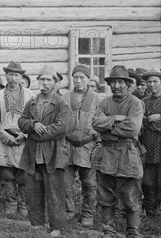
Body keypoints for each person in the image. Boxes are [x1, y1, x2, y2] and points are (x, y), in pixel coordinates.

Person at [92, 65, 145, 238]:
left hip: (127, 154)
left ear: (128, 84)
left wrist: (107, 127)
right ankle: (108, 230)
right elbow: (94, 123)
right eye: (113, 82)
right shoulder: (104, 102)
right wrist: (115, 118)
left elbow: (132, 129)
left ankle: (133, 231)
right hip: (106, 154)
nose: (116, 85)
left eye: (120, 81)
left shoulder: (135, 103)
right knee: (105, 196)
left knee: (130, 197)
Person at [18, 65, 70, 237]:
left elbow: (62, 127)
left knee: (55, 192)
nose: (45, 83)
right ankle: (37, 223)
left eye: (49, 80)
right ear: (38, 81)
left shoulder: (61, 103)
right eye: (42, 79)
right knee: (33, 191)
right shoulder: (32, 102)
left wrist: (38, 133)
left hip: (53, 155)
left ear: (55, 83)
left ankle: (56, 226)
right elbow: (22, 121)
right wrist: (33, 124)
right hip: (33, 155)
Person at [0, 61, 34, 219]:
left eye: (16, 75)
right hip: (5, 138)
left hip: (23, 138)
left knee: (23, 174)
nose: (13, 78)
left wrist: (24, 135)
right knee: (6, 173)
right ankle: (11, 204)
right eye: (10, 74)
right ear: (6, 76)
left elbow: (34, 118)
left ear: (21, 77)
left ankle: (23, 205)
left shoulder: (30, 95)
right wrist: (3, 135)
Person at [61, 65, 101, 227]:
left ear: (88, 79)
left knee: (90, 184)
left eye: (82, 77)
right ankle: (69, 212)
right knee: (65, 183)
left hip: (89, 146)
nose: (78, 81)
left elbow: (101, 123)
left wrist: (99, 144)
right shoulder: (65, 97)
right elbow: (59, 122)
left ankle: (87, 214)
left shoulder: (97, 99)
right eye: (75, 77)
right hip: (68, 146)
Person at [141, 69, 161, 217]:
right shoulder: (143, 103)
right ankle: (150, 214)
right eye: (149, 82)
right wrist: (149, 120)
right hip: (147, 149)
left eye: (155, 81)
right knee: (148, 183)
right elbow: (138, 123)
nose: (152, 84)